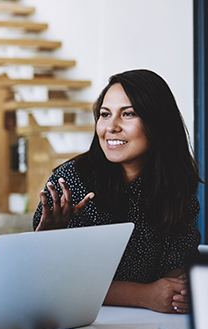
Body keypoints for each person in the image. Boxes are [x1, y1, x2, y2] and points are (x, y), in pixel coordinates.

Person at [33, 69, 201, 314]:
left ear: (158, 121)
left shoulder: (176, 184)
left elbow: (177, 261)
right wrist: (146, 295)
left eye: (128, 114)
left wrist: (177, 291)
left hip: (148, 324)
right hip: (77, 322)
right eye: (105, 114)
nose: (111, 127)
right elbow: (53, 279)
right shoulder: (70, 181)